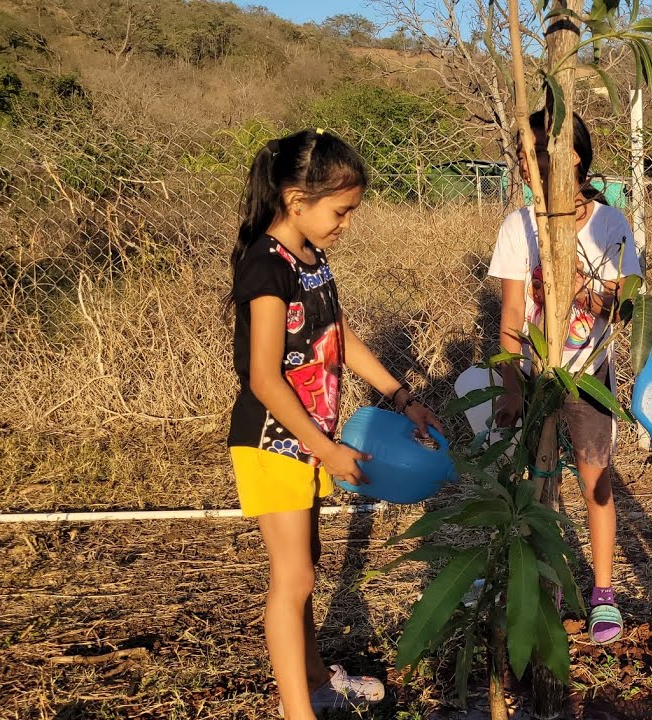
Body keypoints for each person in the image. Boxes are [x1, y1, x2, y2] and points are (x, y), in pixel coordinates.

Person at [224, 129, 443, 718]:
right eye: (341, 212)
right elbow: (264, 378)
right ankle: (298, 710)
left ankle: (317, 677)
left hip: (305, 439)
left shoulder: (312, 261)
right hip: (274, 441)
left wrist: (402, 397)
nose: (346, 225)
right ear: (297, 200)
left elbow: (341, 343)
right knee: (291, 580)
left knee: (308, 566)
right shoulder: (265, 267)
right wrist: (324, 448)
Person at [487, 109, 643, 645]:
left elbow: (627, 305)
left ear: (572, 156)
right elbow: (511, 315)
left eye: (535, 153)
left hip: (589, 375)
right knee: (539, 482)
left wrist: (584, 289)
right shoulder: (519, 226)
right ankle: (546, 584)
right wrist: (510, 386)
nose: (525, 165)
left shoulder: (610, 224)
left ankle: (603, 591)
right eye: (521, 154)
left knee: (595, 476)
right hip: (536, 378)